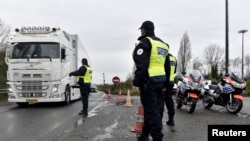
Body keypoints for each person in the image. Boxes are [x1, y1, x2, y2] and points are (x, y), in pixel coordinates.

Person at [132, 20, 169, 141]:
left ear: (144, 30)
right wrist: (166, 83)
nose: (141, 32)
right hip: (160, 83)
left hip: (149, 83)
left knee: (152, 113)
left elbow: (141, 65)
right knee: (152, 110)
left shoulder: (145, 43)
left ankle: (157, 137)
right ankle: (144, 135)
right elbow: (167, 66)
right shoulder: (163, 44)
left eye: (141, 30)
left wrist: (136, 82)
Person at [163, 53, 177, 127]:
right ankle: (171, 120)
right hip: (171, 82)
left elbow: (165, 70)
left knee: (161, 101)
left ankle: (158, 120)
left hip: (165, 82)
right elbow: (174, 71)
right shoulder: (174, 58)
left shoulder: (165, 57)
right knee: (169, 101)